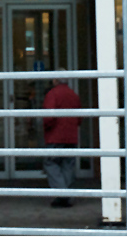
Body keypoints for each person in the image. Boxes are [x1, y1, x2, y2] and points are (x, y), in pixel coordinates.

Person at [42, 70, 81, 208]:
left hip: (55, 136)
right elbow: (79, 118)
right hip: (71, 136)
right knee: (68, 165)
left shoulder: (52, 94)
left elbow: (49, 116)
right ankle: (66, 196)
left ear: (55, 80)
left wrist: (46, 127)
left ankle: (61, 193)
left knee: (50, 163)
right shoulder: (74, 95)